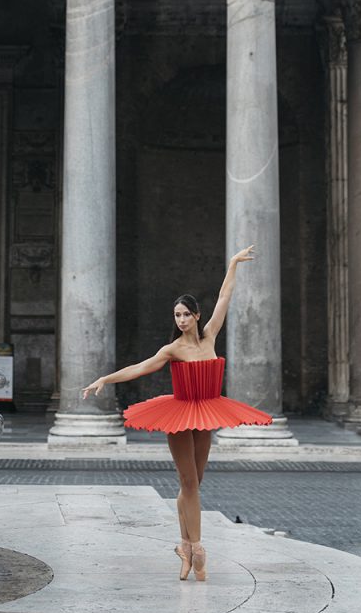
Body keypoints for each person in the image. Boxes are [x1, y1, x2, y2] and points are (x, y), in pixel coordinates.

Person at [82, 245, 271, 581]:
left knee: (194, 483)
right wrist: (105, 378)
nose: (181, 320)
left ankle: (182, 544)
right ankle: (198, 548)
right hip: (180, 415)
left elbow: (225, 296)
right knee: (188, 483)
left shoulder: (210, 335)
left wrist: (232, 264)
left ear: (197, 316)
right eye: (177, 315)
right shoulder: (173, 349)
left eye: (186, 314)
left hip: (207, 412)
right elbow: (140, 368)